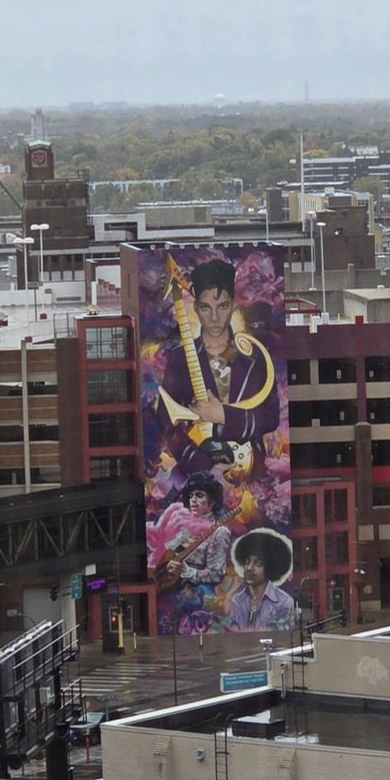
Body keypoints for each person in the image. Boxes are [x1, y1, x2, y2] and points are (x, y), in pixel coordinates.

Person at [158, 258, 279, 475]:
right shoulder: (179, 360)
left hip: (251, 479)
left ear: (233, 306)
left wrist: (223, 414)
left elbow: (270, 416)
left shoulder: (255, 357)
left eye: (222, 306)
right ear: (196, 308)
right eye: (206, 307)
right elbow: (168, 426)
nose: (214, 318)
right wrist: (206, 468)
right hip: (200, 482)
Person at [161, 472, 232, 590]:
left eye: (199, 495)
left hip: (198, 592)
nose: (193, 500)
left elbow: (216, 574)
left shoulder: (219, 533)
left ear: (212, 502)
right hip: (170, 585)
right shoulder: (184, 527)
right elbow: (168, 554)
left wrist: (186, 571)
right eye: (191, 496)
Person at [229, 529, 295, 631]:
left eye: (258, 564)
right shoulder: (237, 600)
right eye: (247, 562)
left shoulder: (284, 603)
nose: (249, 568)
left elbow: (282, 636)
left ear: (270, 568)